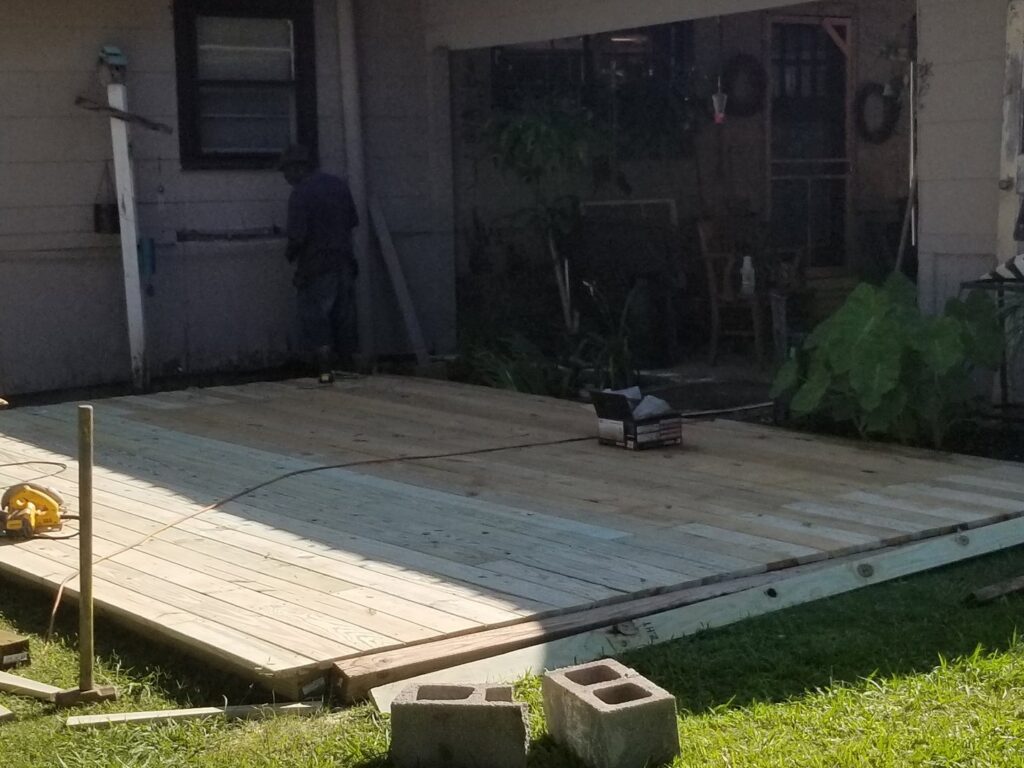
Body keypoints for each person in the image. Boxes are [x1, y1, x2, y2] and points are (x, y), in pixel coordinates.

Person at [279, 145, 360, 384]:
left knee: (316, 316)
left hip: (316, 265)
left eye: (286, 172)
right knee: (343, 316)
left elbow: (298, 236)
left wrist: (290, 254)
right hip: (344, 261)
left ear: (298, 168)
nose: (286, 178)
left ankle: (325, 371)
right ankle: (348, 368)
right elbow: (351, 222)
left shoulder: (301, 193)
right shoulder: (338, 186)